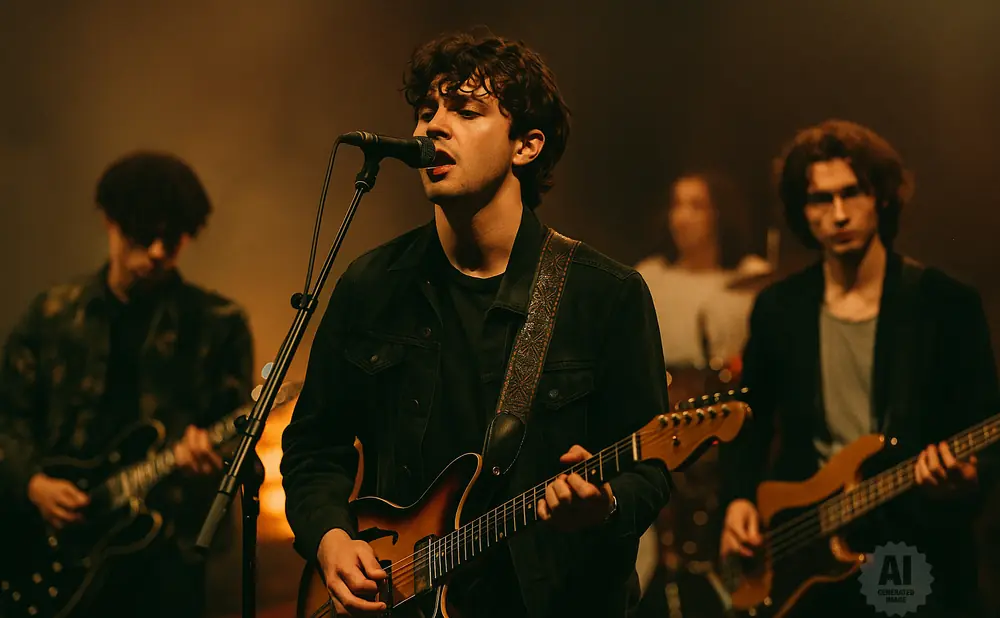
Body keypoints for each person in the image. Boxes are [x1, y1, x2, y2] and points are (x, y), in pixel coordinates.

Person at [280, 31, 673, 618]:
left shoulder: (604, 294)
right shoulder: (371, 285)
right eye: (426, 111)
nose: (433, 127)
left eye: (465, 111)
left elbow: (653, 462)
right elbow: (315, 447)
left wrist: (606, 504)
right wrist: (331, 537)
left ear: (526, 146)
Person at [717, 119, 999, 617]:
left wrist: (970, 475)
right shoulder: (779, 309)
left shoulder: (943, 303)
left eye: (853, 193)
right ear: (803, 213)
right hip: (807, 545)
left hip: (914, 539)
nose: (839, 214)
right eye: (821, 200)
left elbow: (985, 421)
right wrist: (738, 500)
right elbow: (747, 418)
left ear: (883, 197)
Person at [0, 151, 255, 618]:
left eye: (172, 239)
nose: (158, 252)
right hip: (53, 551)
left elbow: (235, 430)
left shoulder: (218, 324)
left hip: (166, 558)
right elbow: (6, 419)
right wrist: (33, 484)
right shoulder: (52, 315)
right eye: (144, 235)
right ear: (110, 222)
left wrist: (212, 457)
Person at [634, 171, 771, 371]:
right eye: (676, 205)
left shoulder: (752, 275)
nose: (681, 218)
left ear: (720, 214)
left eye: (696, 206)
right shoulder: (649, 276)